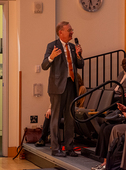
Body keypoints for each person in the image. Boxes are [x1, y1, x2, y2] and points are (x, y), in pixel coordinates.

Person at [41, 21, 84, 157]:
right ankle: (55, 148)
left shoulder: (72, 47)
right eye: (69, 30)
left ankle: (69, 147)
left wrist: (78, 55)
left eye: (72, 30)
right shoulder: (52, 46)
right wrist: (51, 57)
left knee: (70, 117)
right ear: (61, 32)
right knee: (55, 118)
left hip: (71, 85)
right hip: (57, 87)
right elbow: (44, 65)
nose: (72, 32)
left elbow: (80, 65)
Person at [35, 73, 87, 147]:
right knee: (49, 114)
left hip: (72, 110)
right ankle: (44, 138)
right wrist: (50, 108)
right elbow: (56, 100)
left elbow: (81, 104)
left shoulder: (81, 88)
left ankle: (47, 137)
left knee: (54, 115)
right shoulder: (64, 88)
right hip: (63, 108)